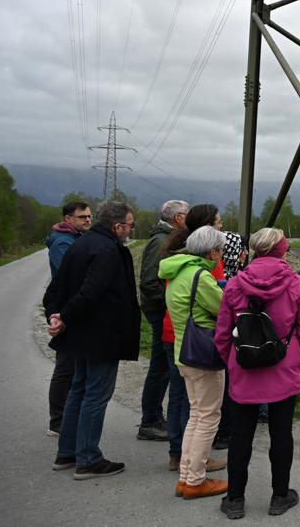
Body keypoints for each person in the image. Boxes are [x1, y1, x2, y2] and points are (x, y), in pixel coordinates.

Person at [215, 228, 300, 519]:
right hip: (283, 365)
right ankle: (280, 496)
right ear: (282, 250)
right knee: (281, 433)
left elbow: (222, 333)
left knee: (240, 436)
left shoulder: (235, 285)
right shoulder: (296, 284)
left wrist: (232, 361)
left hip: (245, 367)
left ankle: (235, 499)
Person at [44, 200, 139, 480]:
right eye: (130, 225)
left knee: (79, 390)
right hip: (101, 334)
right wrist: (65, 317)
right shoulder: (107, 250)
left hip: (81, 335)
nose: (131, 230)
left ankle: (67, 453)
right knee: (96, 395)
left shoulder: (80, 244)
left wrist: (56, 315)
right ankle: (88, 458)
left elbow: (56, 288)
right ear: (117, 225)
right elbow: (91, 291)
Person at [160, 226, 229, 499]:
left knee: (197, 415)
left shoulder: (177, 271)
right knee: (209, 417)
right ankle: (196, 480)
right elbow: (223, 307)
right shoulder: (200, 276)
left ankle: (187, 476)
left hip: (183, 351)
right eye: (220, 250)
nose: (221, 255)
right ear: (212, 251)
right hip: (203, 355)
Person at [137, 199, 189, 444]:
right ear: (178, 218)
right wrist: (171, 301)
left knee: (164, 367)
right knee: (160, 367)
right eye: (187, 215)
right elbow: (149, 282)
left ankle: (155, 417)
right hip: (160, 312)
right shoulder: (161, 241)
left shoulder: (165, 238)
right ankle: (150, 421)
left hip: (162, 310)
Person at [44, 200, 91, 437]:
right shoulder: (62, 242)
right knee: (66, 365)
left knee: (72, 364)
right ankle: (57, 420)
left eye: (89, 216)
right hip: (65, 308)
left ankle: (67, 416)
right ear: (68, 219)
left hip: (72, 307)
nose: (87, 220)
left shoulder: (75, 239)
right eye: (82, 217)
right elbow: (72, 274)